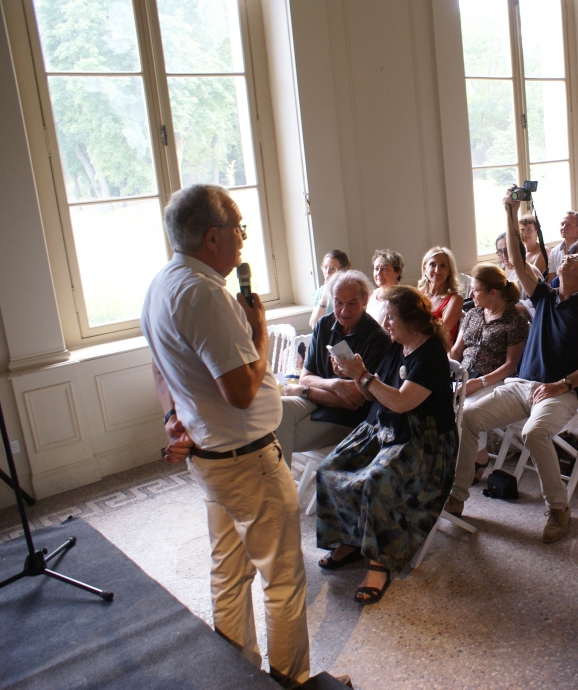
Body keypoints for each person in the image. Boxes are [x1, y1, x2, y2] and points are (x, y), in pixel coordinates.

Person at [141, 184, 310, 687]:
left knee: (229, 574)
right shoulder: (204, 293)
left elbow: (159, 368)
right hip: (247, 460)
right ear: (212, 237)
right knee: (282, 581)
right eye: (238, 228)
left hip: (213, 457)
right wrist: (259, 330)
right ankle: (290, 681)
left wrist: (174, 417)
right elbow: (239, 391)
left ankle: (236, 676)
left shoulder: (162, 283)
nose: (243, 239)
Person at [446, 190, 578, 542]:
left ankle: (558, 508)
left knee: (533, 432)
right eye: (568, 257)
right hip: (523, 384)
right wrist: (510, 210)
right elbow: (519, 263)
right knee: (468, 418)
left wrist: (562, 385)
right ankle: (457, 497)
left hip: (560, 392)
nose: (569, 258)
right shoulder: (546, 297)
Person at [316, 285, 457, 602]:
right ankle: (349, 542)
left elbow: (403, 402)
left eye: (391, 317)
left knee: (377, 481)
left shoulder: (431, 352)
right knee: (328, 470)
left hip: (420, 440)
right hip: (382, 428)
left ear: (412, 319)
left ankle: (380, 564)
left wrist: (363, 376)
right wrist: (356, 374)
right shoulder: (397, 346)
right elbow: (371, 394)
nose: (385, 323)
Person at [278, 270, 390, 464]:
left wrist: (303, 391)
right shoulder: (324, 324)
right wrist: (335, 385)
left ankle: (281, 490)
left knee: (281, 436)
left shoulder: (377, 338)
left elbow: (354, 402)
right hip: (317, 401)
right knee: (276, 410)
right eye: (338, 302)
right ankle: (281, 489)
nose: (344, 311)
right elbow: (305, 376)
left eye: (351, 303)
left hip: (346, 418)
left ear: (365, 300)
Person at [449, 264, 530, 485]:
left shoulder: (514, 321)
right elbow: (456, 351)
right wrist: (444, 368)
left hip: (494, 378)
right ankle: (450, 456)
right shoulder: (473, 314)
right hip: (464, 374)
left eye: (475, 290)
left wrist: (479, 382)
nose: (470, 294)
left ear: (492, 292)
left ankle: (479, 456)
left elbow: (510, 364)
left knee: (467, 408)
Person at [418, 246, 464, 347]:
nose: (437, 270)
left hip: (438, 351)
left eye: (443, 266)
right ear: (425, 268)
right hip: (416, 347)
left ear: (449, 271)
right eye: (432, 264)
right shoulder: (418, 295)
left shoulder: (455, 299)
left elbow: (440, 333)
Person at [309, 249, 350, 329]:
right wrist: (324, 295)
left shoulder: (350, 291)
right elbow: (314, 324)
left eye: (332, 268)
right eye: (325, 267)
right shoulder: (319, 293)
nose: (327, 272)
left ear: (344, 270)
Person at [366, 249, 403, 322]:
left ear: (398, 272)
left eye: (384, 269)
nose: (379, 273)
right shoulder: (370, 295)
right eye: (376, 269)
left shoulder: (403, 297)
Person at [546, 210, 578, 276]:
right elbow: (551, 281)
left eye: (569, 225)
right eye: (562, 224)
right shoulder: (554, 252)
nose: (564, 227)